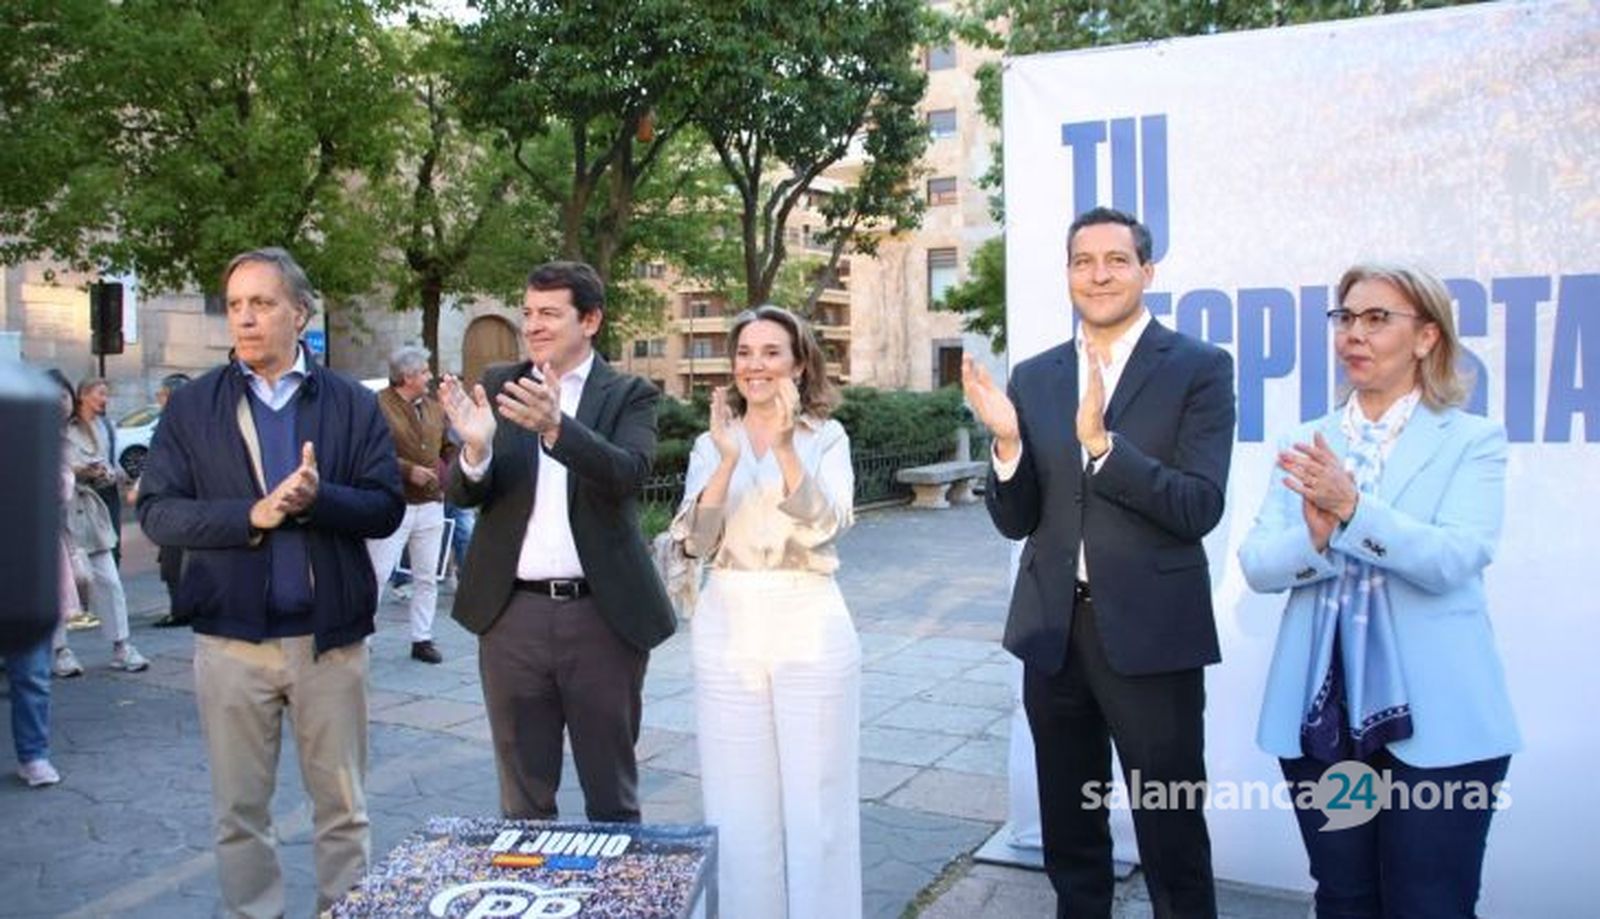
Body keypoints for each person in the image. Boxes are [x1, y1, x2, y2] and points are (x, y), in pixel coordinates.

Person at [962, 206, 1236, 919]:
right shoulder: (1037, 375)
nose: (1099, 274)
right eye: (1084, 261)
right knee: (1070, 833)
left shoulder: (1199, 369)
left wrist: (1106, 450)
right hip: (1053, 637)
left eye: (1116, 259)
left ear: (1147, 270)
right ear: (1067, 274)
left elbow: (1198, 505)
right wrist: (1007, 446)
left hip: (1153, 636)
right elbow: (1015, 520)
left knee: (1170, 829)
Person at [1238, 263, 1519, 918]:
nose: (1353, 334)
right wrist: (1312, 539)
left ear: (1426, 337)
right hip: (1324, 721)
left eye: (1376, 318)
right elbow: (1257, 563)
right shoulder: (1305, 440)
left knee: (1430, 903)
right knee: (1345, 897)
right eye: (1345, 318)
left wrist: (1354, 513)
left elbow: (1457, 555)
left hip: (1442, 721)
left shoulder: (1473, 440)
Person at [137, 246, 405, 919]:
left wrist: (320, 498)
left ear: (300, 312)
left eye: (262, 303)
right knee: (239, 811)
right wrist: (250, 515)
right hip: (231, 645)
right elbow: (157, 510)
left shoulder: (349, 402)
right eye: (235, 305)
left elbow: (385, 505)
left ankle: (342, 910)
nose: (246, 319)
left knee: (343, 810)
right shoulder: (195, 406)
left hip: (330, 644)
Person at [440, 260, 675, 823]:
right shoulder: (500, 384)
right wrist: (473, 453)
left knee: (611, 795)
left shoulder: (628, 394)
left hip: (602, 619)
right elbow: (466, 495)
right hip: (511, 615)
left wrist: (556, 427)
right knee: (523, 798)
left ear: (590, 319)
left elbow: (628, 474)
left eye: (550, 313)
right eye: (528, 312)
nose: (534, 325)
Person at [674, 304, 861, 919]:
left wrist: (784, 450)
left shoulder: (825, 436)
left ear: (799, 362)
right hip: (728, 616)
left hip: (807, 612)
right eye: (745, 352)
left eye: (771, 352)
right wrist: (727, 463)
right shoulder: (711, 441)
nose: (755, 365)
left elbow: (828, 522)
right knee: (736, 798)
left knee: (817, 797)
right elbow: (697, 542)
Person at [366, 345, 452, 664]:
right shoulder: (377, 405)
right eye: (425, 371)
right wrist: (406, 470)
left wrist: (455, 468)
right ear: (408, 376)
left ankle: (422, 638)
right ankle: (363, 636)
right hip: (393, 503)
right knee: (377, 573)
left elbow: (447, 445)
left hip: (431, 503)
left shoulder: (433, 407)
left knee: (427, 576)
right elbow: (371, 452)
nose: (430, 376)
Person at [63, 377, 147, 673]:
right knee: (63, 585)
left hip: (93, 512)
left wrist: (116, 475)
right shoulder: (57, 431)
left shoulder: (104, 427)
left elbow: (110, 461)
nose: (105, 399)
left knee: (109, 581)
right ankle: (60, 650)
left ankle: (122, 645)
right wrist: (80, 471)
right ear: (83, 396)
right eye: (101, 393)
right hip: (63, 516)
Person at [151, 373, 193, 629]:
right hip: (180, 501)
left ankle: (181, 609)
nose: (159, 400)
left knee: (174, 560)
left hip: (177, 501)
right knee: (172, 559)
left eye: (162, 395)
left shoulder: (177, 423)